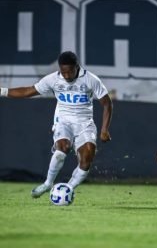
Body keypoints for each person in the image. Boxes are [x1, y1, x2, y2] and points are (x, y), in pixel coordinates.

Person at [0, 51, 113, 198]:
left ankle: (68, 189)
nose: (66, 76)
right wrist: (2, 91)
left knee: (86, 161)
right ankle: (48, 183)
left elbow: (107, 103)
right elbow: (29, 91)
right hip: (63, 121)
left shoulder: (90, 79)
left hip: (85, 124)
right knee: (62, 150)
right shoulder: (53, 79)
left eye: (69, 72)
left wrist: (105, 129)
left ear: (76, 67)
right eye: (63, 72)